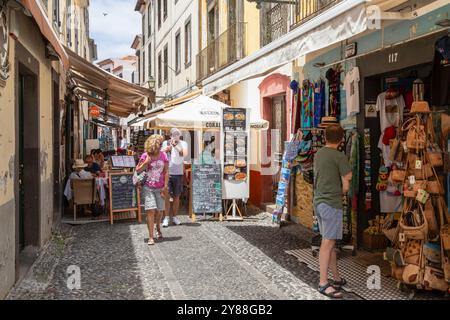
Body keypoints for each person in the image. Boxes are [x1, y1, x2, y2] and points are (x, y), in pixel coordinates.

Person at [313, 124, 352, 299]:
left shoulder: (319, 154)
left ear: (325, 137)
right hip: (331, 203)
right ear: (342, 139)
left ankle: (335, 278)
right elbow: (346, 184)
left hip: (319, 202)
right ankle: (323, 283)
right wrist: (342, 189)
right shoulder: (340, 156)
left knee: (330, 242)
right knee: (327, 244)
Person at [136, 135, 169, 246]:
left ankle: (158, 226)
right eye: (159, 145)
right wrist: (146, 162)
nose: (160, 147)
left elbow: (166, 171)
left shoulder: (163, 155)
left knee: (159, 211)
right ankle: (151, 236)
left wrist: (165, 186)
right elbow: (138, 170)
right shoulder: (145, 155)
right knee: (150, 210)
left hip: (160, 187)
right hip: (148, 187)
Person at [161, 128, 188, 227]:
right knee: (166, 196)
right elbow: (161, 154)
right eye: (173, 134)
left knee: (177, 196)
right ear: (170, 135)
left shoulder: (183, 143)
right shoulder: (165, 143)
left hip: (178, 173)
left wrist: (175, 146)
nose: (175, 136)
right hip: (167, 172)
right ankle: (166, 218)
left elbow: (184, 154)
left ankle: (175, 217)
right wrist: (167, 149)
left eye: (177, 134)